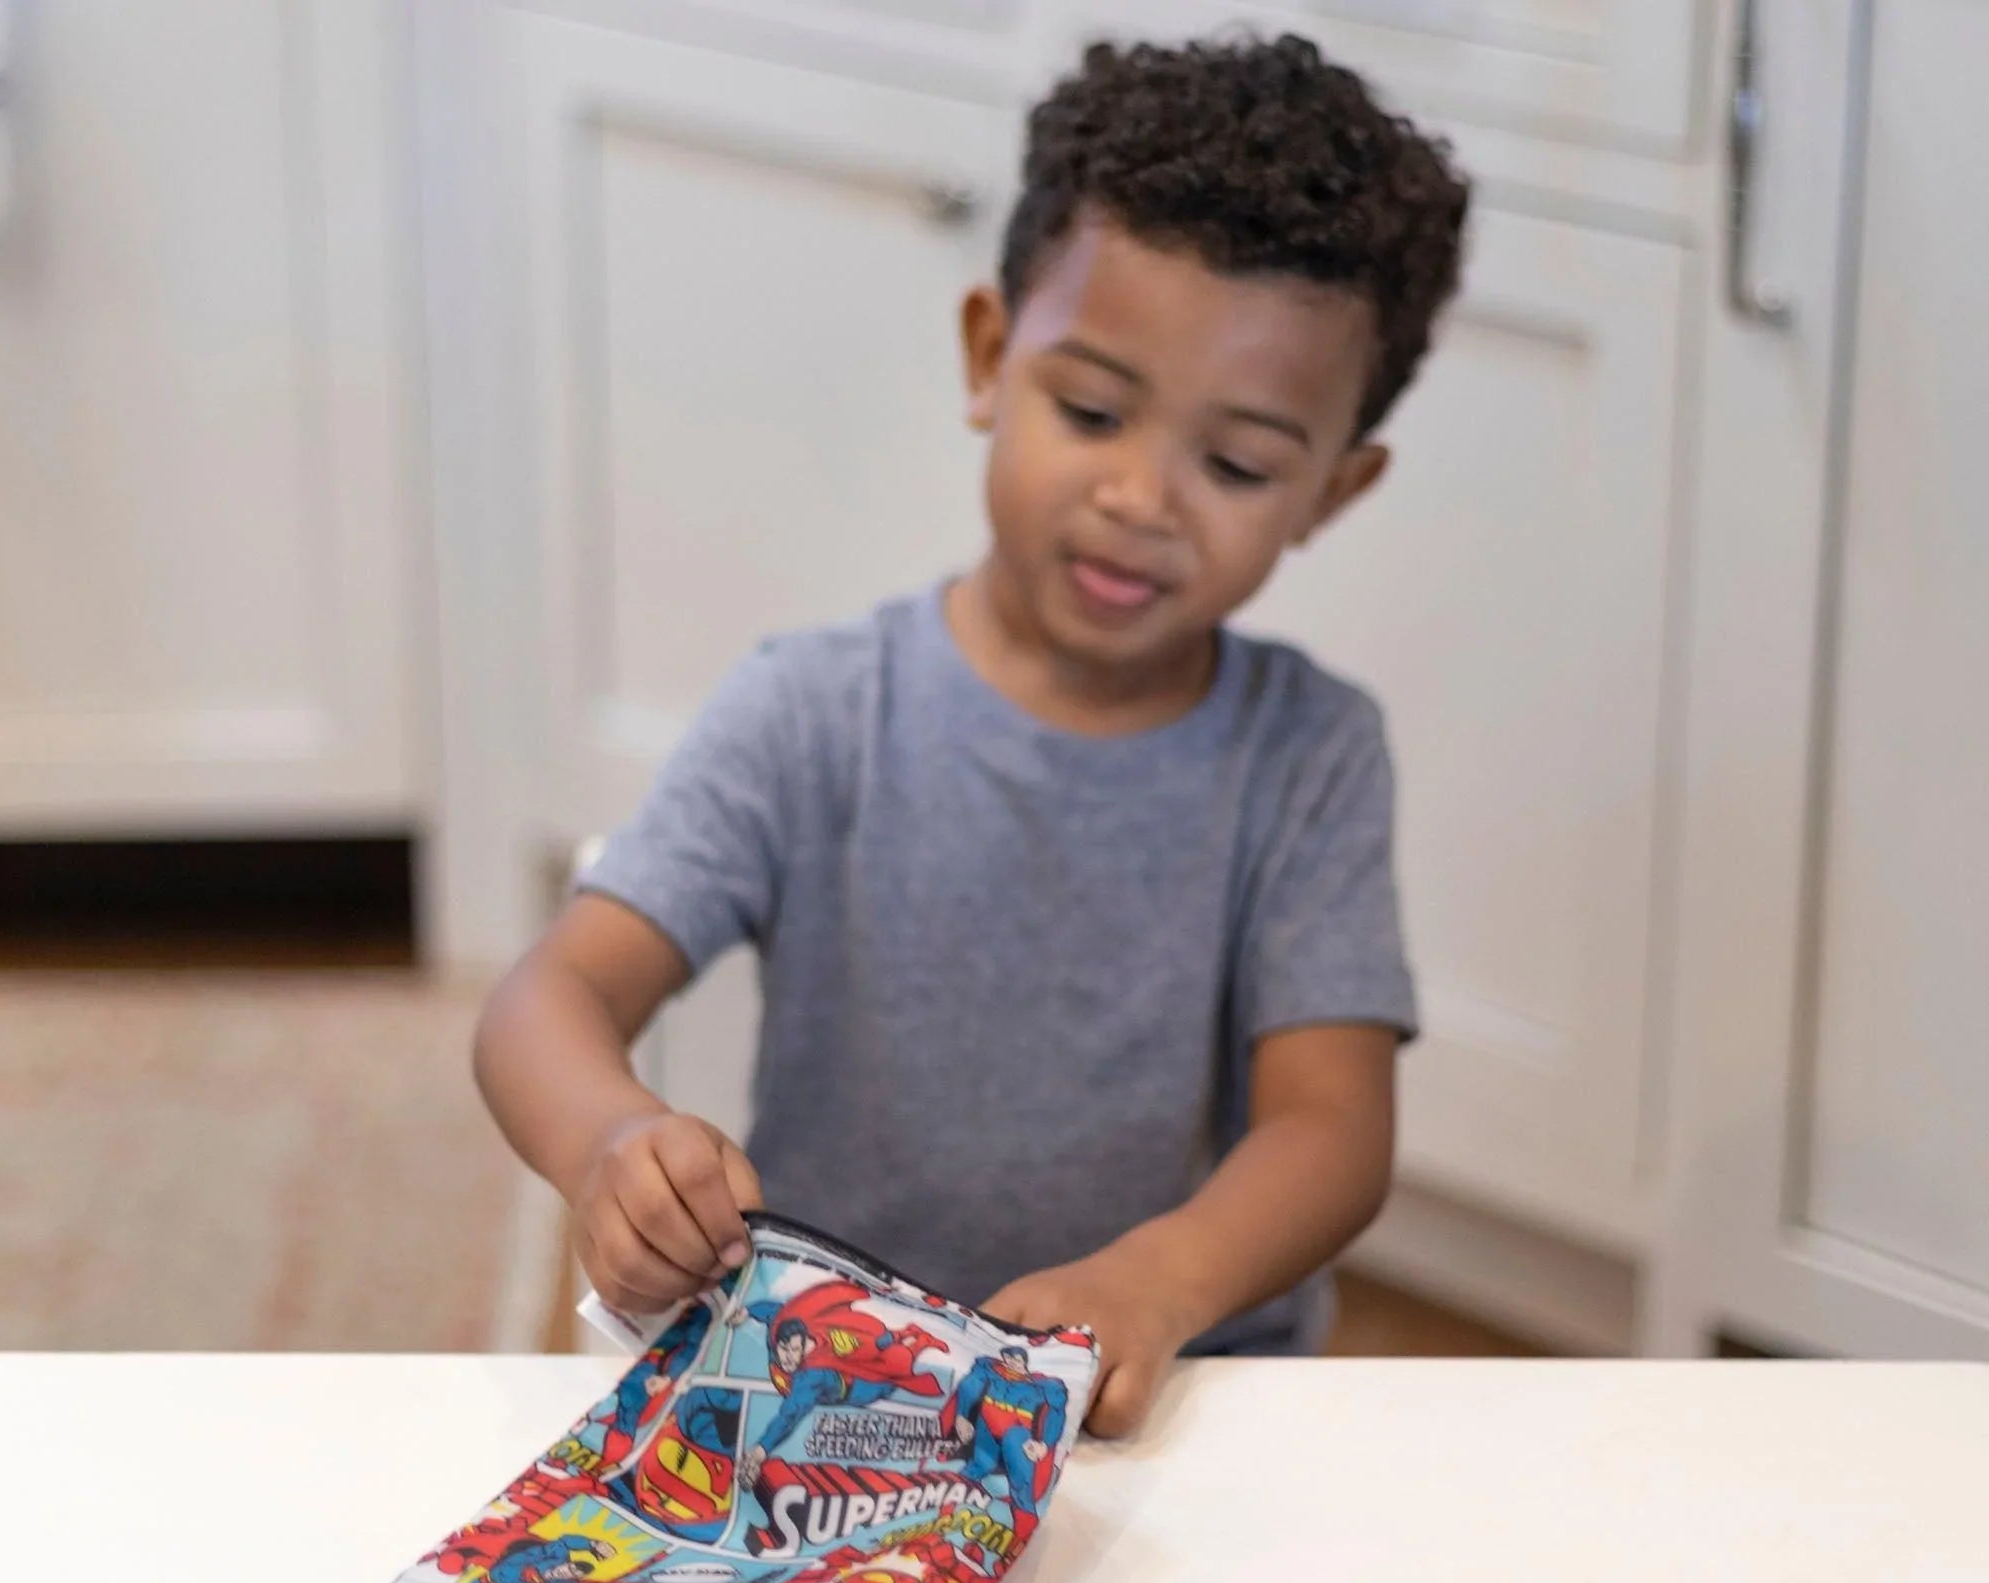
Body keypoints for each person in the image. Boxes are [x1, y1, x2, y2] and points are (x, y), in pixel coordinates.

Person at [473, 33, 1470, 1439]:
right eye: (1093, 410)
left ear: (1333, 491)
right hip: (828, 1381)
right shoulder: (816, 709)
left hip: (1172, 1388)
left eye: (1236, 463)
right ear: (991, 359)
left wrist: (1160, 1281)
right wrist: (610, 1145)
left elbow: (1332, 1129)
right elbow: (548, 1000)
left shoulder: (1307, 755)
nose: (1142, 496)